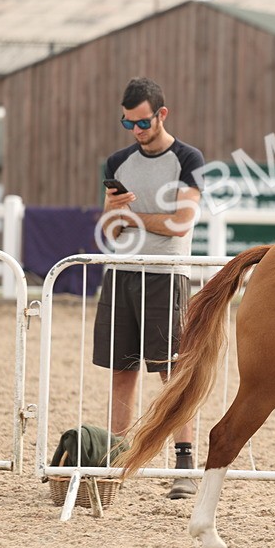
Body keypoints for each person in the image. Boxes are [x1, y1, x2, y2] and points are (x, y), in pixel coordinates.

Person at [95, 77, 204, 499]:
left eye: (142, 122)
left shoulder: (188, 158)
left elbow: (180, 222)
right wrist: (110, 214)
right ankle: (117, 457)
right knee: (122, 372)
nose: (136, 131)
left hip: (166, 274)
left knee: (172, 373)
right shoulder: (117, 162)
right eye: (128, 124)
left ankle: (184, 461)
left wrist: (133, 219)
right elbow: (107, 233)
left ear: (162, 114)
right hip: (121, 273)